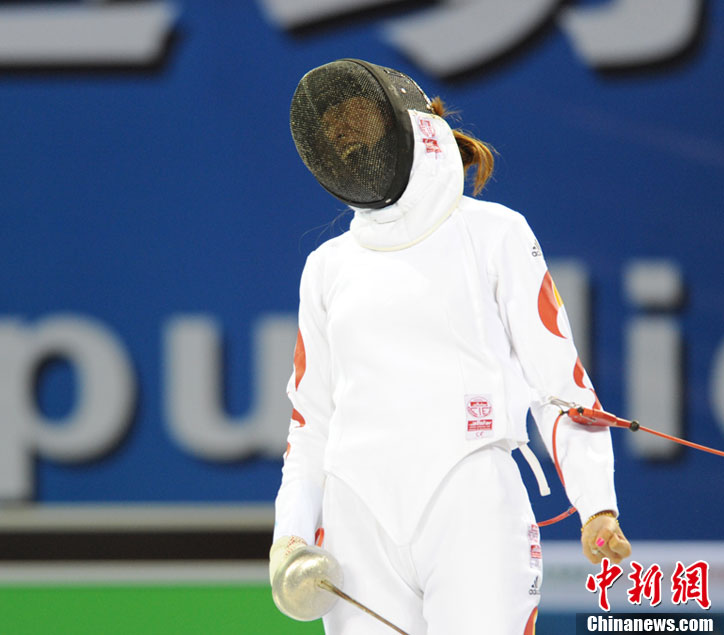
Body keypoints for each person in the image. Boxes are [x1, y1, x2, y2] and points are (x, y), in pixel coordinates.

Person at [269, 58, 631, 635]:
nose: (347, 140)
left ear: (407, 124)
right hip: (355, 519)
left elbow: (559, 385)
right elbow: (310, 423)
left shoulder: (495, 232)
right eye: (334, 134)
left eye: (356, 119)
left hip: (472, 504)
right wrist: (289, 535)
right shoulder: (327, 267)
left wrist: (597, 504)